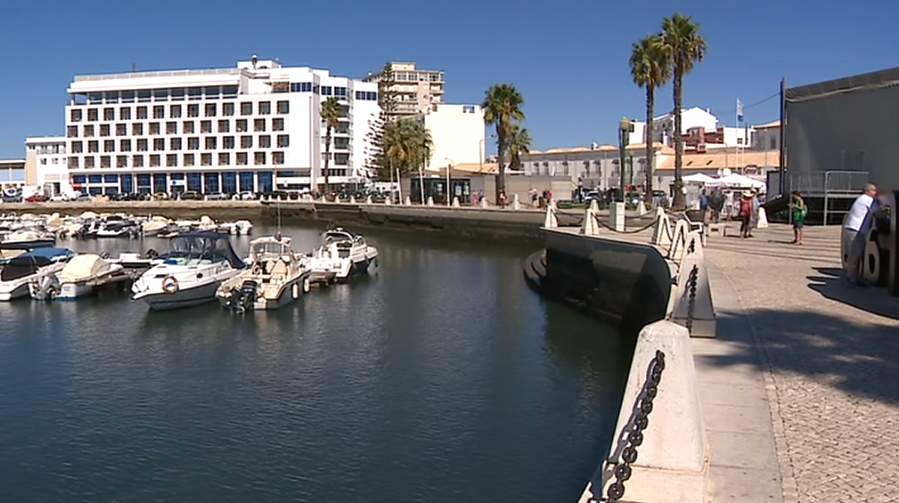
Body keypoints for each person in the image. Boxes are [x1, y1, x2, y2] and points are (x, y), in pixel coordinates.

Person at [843, 183, 880, 285]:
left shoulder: (861, 199)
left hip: (854, 229)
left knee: (855, 254)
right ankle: (852, 278)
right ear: (868, 191)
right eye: (874, 191)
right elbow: (878, 213)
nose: (876, 193)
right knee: (855, 254)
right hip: (856, 229)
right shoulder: (868, 199)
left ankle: (853, 276)